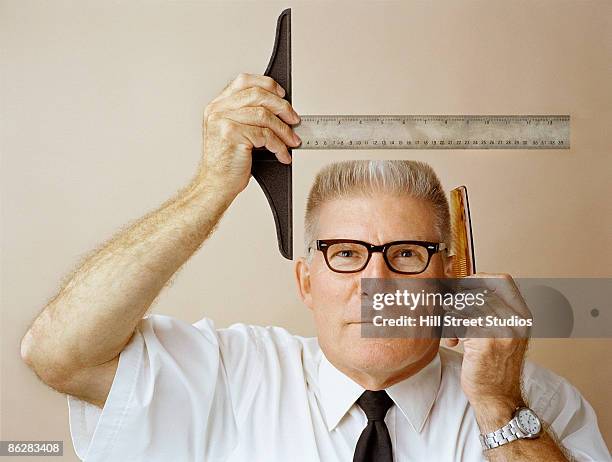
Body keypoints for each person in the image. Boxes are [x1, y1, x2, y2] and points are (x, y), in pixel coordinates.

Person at [21, 73, 610, 461]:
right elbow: (58, 354)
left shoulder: (537, 405)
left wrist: (499, 406)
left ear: (450, 278)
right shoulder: (225, 376)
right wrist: (211, 187)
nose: (375, 284)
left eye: (405, 254)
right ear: (306, 281)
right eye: (345, 255)